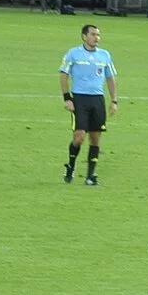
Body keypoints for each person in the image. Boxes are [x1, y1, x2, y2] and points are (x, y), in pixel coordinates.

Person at [59, 23, 117, 185]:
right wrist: (67, 98)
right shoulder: (73, 53)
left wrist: (114, 100)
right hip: (79, 99)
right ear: (84, 36)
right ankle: (70, 166)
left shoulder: (104, 55)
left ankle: (90, 176)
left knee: (95, 138)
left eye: (98, 35)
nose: (96, 38)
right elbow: (63, 75)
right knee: (79, 137)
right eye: (93, 34)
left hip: (97, 99)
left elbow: (110, 78)